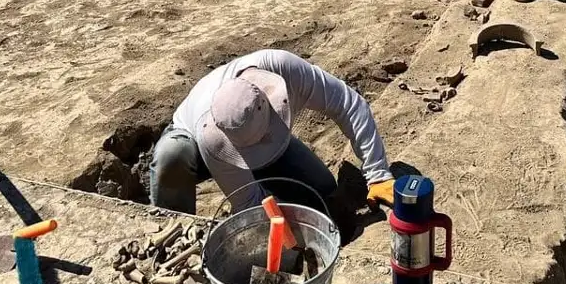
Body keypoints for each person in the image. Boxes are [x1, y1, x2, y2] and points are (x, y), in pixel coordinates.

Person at [149, 49, 396, 219]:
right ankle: (175, 225)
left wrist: (378, 174)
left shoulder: (285, 70)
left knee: (321, 192)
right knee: (173, 155)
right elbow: (249, 203)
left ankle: (268, 166)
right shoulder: (211, 137)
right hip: (196, 147)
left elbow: (348, 104)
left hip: (257, 139)